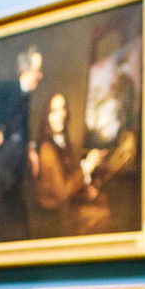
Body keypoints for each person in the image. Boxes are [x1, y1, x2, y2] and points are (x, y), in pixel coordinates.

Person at [0, 45, 43, 244]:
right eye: (37, 70)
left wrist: (30, 149)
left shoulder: (29, 97)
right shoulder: (5, 89)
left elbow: (24, 129)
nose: (40, 75)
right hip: (0, 170)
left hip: (16, 172)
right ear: (26, 70)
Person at [33, 91, 109, 239]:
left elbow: (68, 184)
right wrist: (87, 166)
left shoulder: (61, 143)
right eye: (54, 111)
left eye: (63, 108)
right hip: (55, 217)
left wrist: (85, 191)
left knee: (102, 199)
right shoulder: (47, 150)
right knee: (103, 215)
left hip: (65, 209)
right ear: (46, 117)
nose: (61, 114)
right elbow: (63, 192)